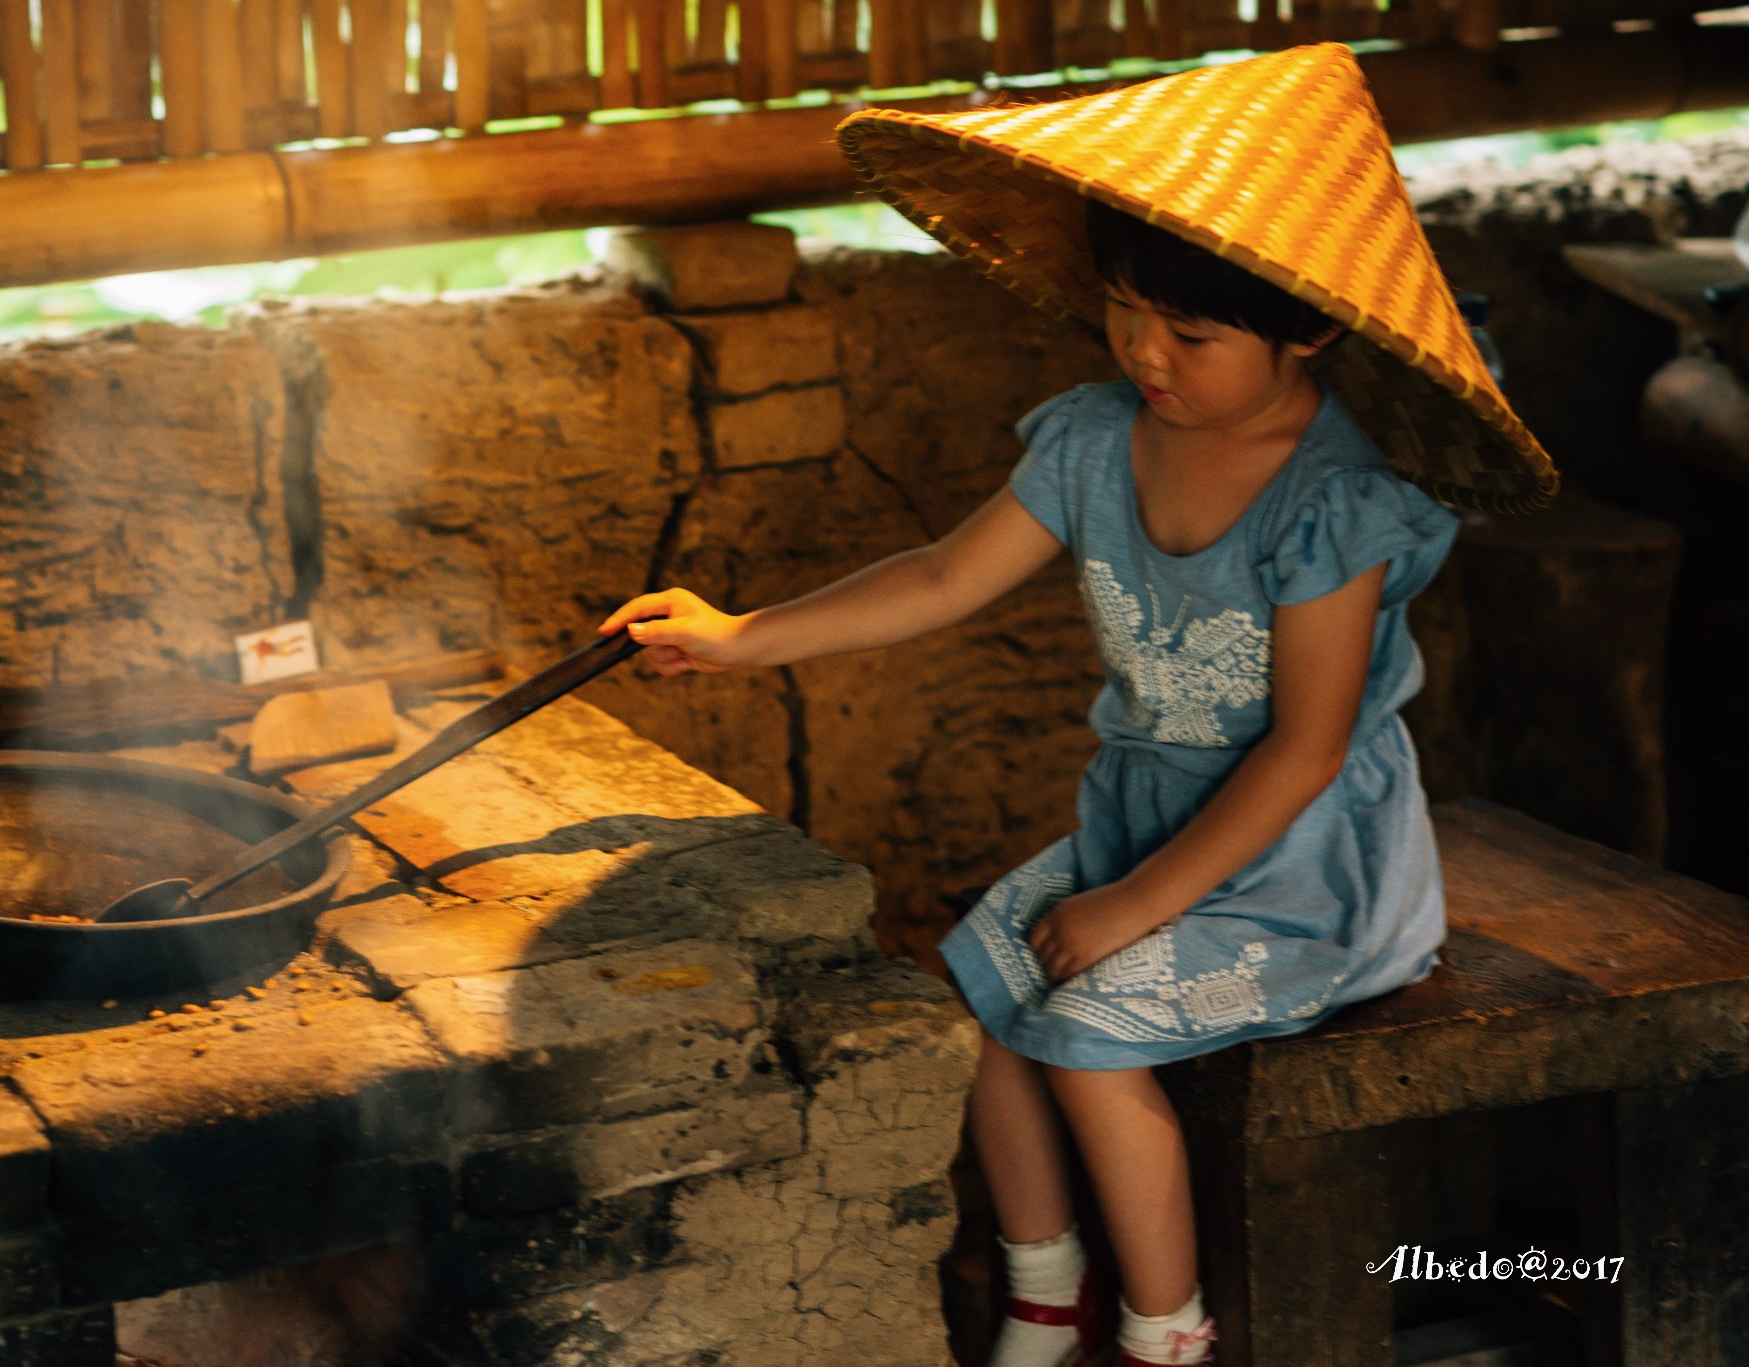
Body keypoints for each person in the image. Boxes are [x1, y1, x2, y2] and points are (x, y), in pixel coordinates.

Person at [599, 44, 1557, 1367]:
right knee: (975, 992)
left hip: (1299, 869)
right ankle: (1046, 1289)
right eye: (1121, 310)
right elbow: (944, 575)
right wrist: (742, 639)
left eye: (1193, 335)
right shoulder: (1098, 440)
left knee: (1088, 1044)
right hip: (1141, 828)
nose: (1145, 354)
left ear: (1315, 327)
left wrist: (1128, 909)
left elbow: (1304, 752)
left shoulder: (1333, 503)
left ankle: (1169, 1335)